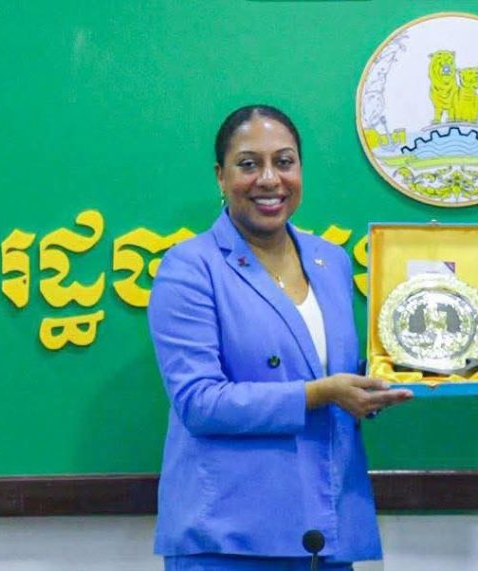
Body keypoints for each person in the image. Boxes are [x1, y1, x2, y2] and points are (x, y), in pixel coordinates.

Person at [147, 104, 412, 570]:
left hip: (325, 528)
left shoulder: (331, 261)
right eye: (249, 164)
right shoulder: (190, 268)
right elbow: (199, 402)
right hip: (229, 536)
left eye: (284, 162)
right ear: (221, 176)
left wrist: (400, 373)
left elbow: (333, 371)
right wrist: (319, 393)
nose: (269, 179)